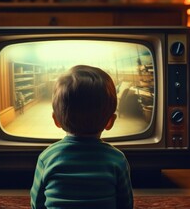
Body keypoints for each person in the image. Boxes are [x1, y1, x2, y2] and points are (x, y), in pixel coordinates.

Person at [30, 65, 133, 209]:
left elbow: (37, 203)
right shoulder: (117, 159)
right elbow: (125, 203)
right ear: (110, 121)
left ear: (56, 120)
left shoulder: (47, 157)